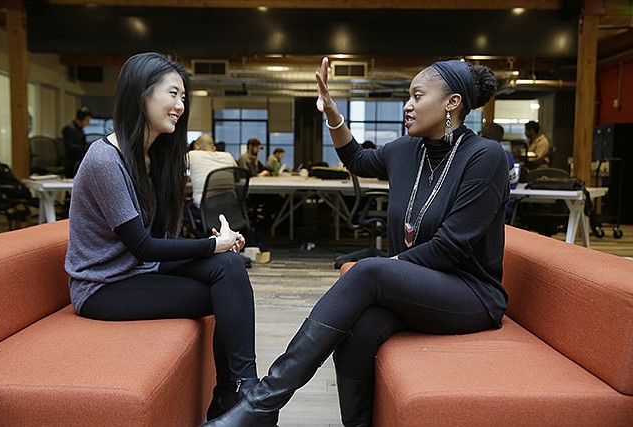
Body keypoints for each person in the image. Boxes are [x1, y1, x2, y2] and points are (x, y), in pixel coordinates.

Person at [203, 57, 509, 426]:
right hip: (421, 286)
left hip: (470, 293)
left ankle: (261, 404)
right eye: (407, 97)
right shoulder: (406, 150)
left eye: (417, 95)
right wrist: (332, 112)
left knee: (368, 272)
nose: (407, 105)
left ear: (452, 102)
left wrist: (382, 270)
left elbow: (451, 247)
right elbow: (356, 159)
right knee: (357, 333)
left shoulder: (484, 156)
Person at [64, 53, 264, 423]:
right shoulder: (105, 159)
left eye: (184, 97)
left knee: (230, 267)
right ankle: (243, 400)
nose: (180, 105)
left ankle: (236, 393)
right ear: (142, 93)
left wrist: (216, 245)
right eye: (173, 93)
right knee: (226, 291)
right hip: (102, 286)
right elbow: (142, 245)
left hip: (139, 269)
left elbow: (156, 240)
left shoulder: (151, 157)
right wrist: (210, 245)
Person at [481, 122, 518, 222]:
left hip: (476, 207)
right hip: (501, 209)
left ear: (481, 135)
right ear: (501, 138)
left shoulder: (473, 151)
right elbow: (513, 183)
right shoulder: (507, 156)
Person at [188, 133, 238, 209]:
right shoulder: (228, 156)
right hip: (228, 207)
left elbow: (175, 171)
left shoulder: (192, 155)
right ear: (214, 148)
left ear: (196, 147)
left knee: (185, 207)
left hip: (205, 208)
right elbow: (237, 176)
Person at [62, 106, 93, 178]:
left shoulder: (81, 130)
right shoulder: (69, 128)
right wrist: (82, 149)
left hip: (80, 158)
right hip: (72, 161)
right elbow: (69, 145)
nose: (88, 123)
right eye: (87, 120)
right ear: (82, 118)